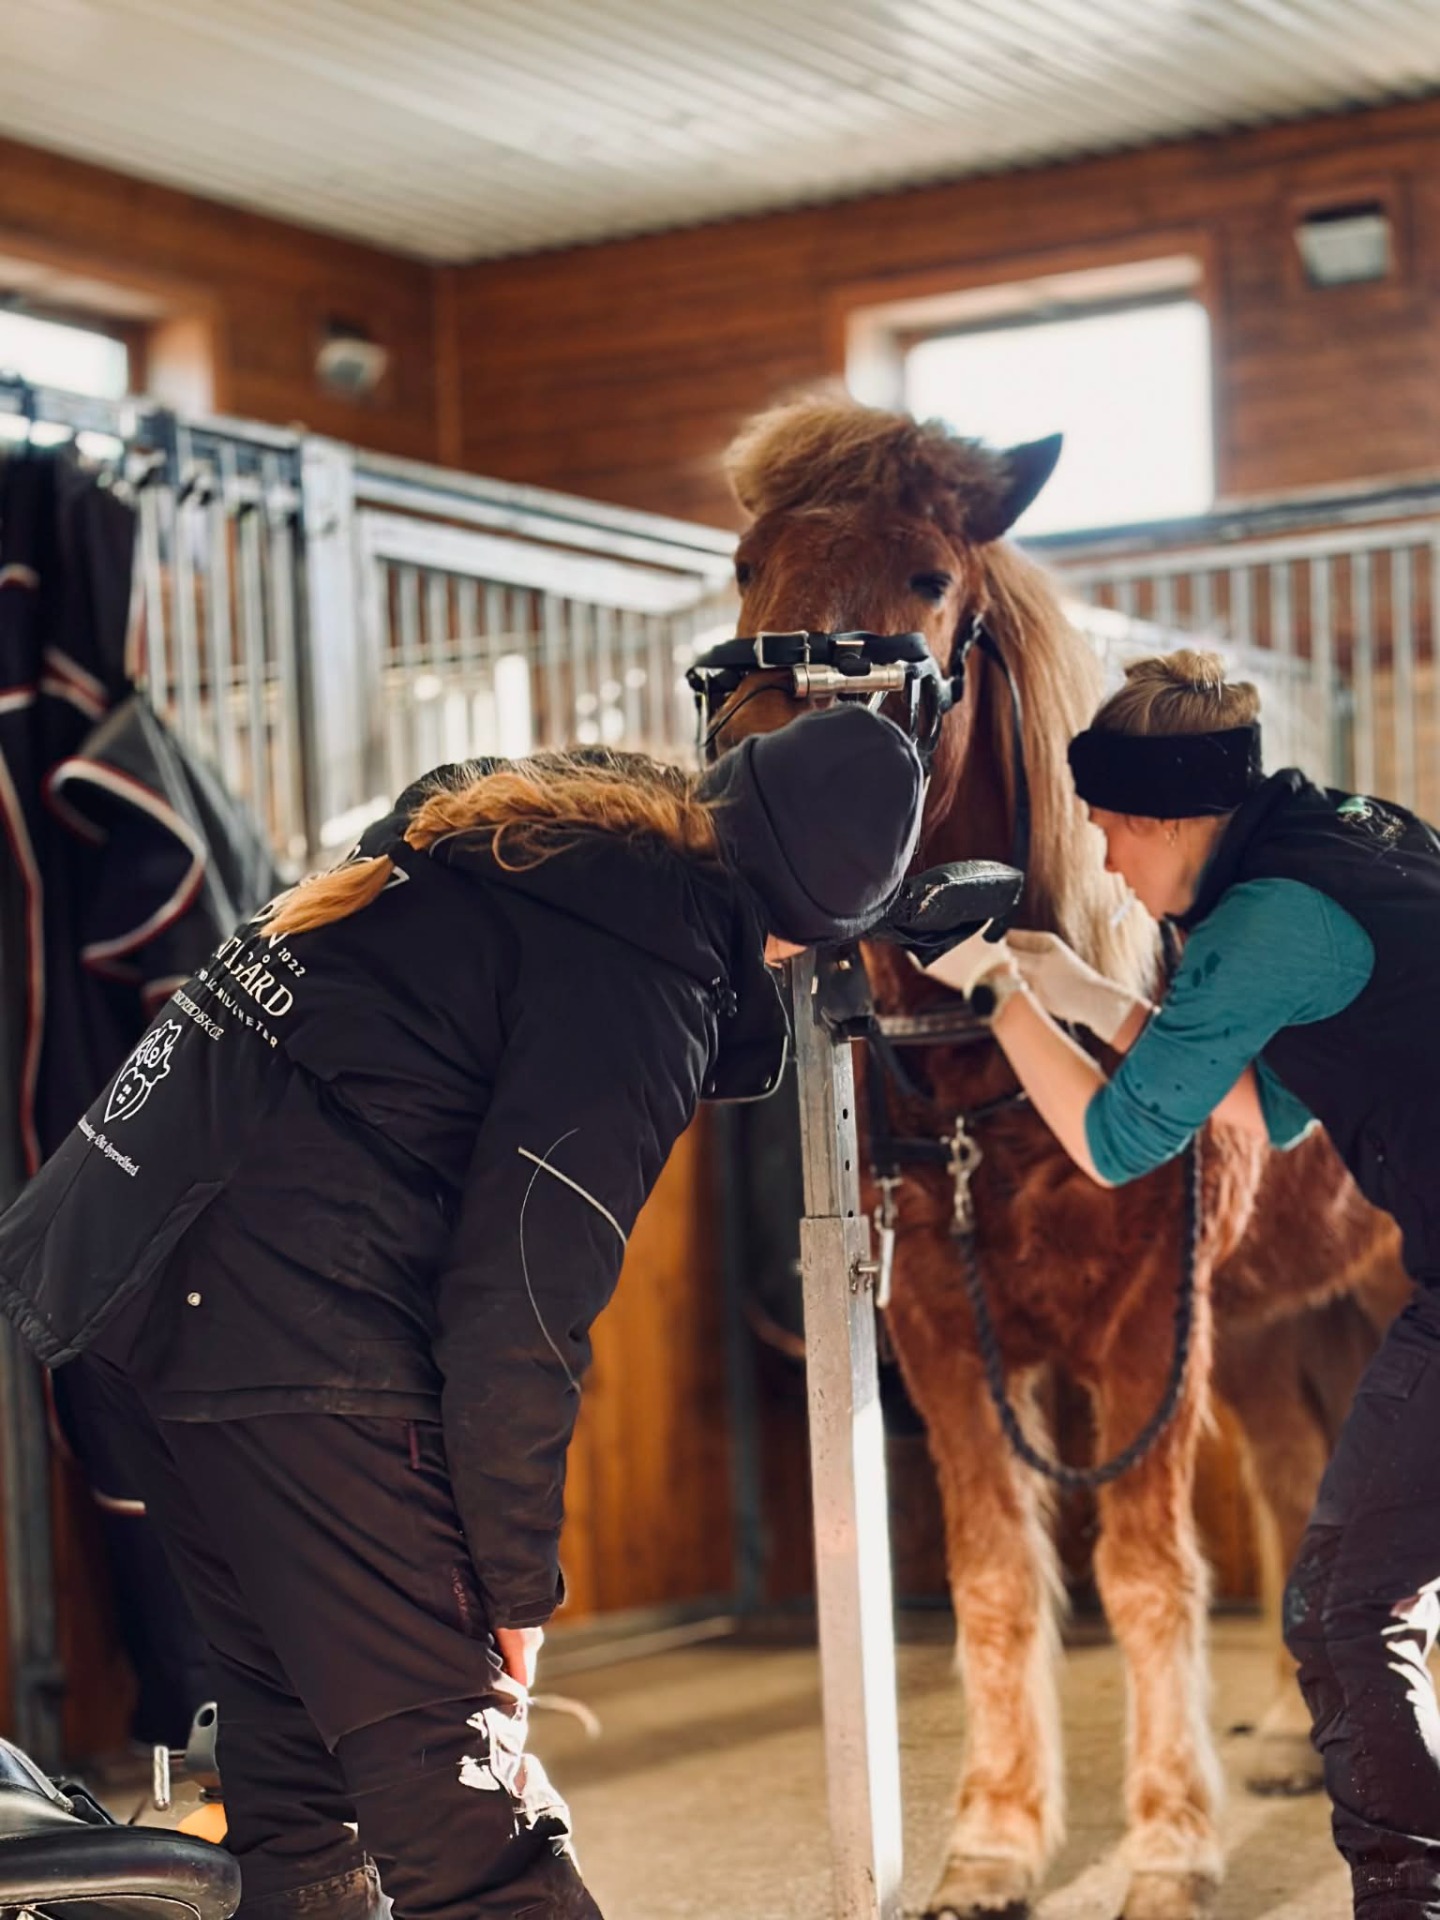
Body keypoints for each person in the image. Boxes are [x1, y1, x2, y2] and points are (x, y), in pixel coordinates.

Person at [0, 705, 924, 1920]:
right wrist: (510, 1597)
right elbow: (522, 1309)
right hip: (284, 1319)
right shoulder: (648, 970)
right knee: (475, 1829)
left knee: (298, 1758)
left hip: (121, 1272)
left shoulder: (520, 830)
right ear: (807, 940)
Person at [939, 648, 1440, 1920]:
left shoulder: (1260, 919)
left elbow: (1118, 1142)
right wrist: (1069, 984)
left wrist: (998, 996)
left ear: (1166, 819)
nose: (1106, 863)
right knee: (1359, 1597)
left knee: (1341, 1608)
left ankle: (1408, 1896)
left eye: (1111, 833)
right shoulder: (1344, 839)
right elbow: (1254, 1099)